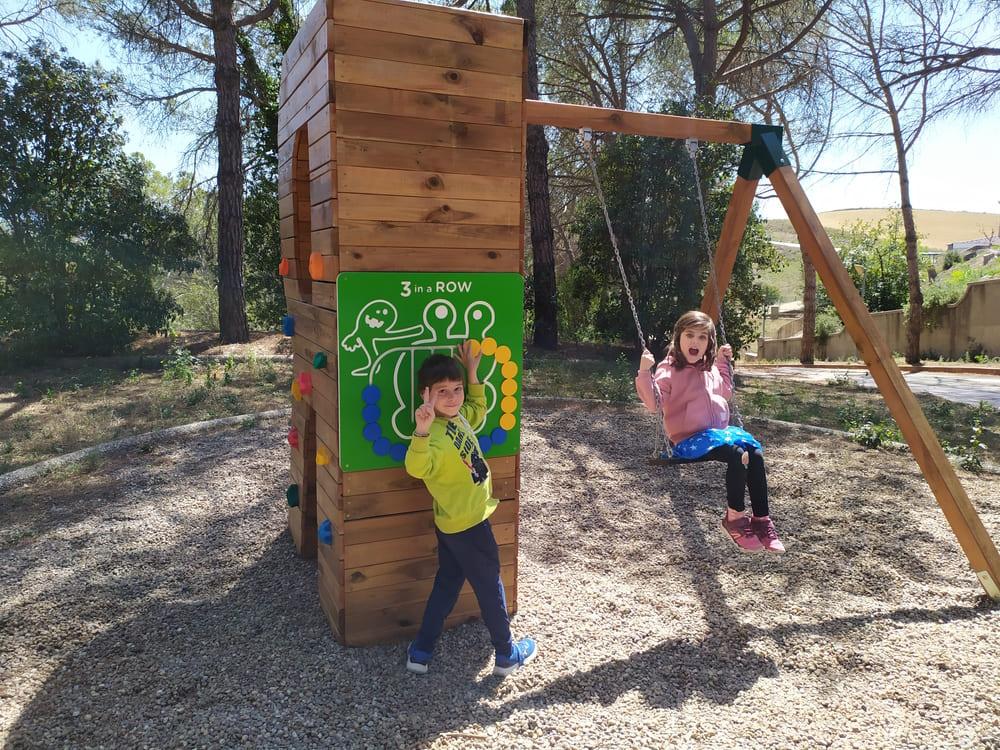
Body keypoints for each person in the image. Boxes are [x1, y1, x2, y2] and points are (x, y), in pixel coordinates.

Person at [404, 340, 537, 676]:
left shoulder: (457, 418)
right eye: (442, 391)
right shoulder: (431, 433)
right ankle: (507, 654)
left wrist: (473, 374)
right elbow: (416, 468)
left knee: (447, 583)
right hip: (470, 525)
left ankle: (420, 652)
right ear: (425, 395)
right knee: (490, 585)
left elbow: (478, 410)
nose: (452, 397)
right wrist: (420, 429)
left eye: (457, 389)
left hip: (452, 523)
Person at [635, 310, 785, 554]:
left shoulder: (709, 368)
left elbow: (724, 392)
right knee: (738, 455)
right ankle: (734, 519)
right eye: (690, 335)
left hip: (717, 433)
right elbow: (654, 403)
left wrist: (723, 363)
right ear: (678, 339)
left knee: (755, 453)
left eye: (702, 338)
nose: (695, 342)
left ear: (709, 343)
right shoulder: (668, 369)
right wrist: (644, 372)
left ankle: (761, 521)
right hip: (688, 439)